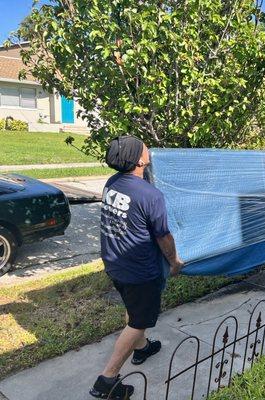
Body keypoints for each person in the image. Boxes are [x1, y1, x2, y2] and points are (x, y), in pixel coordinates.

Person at [90, 136, 184, 399]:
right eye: (144, 146)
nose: (148, 148)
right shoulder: (150, 195)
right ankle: (106, 380)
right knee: (139, 320)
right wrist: (174, 261)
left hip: (114, 263)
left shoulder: (113, 183)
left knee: (134, 310)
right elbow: (163, 237)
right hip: (140, 271)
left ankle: (141, 348)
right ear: (140, 160)